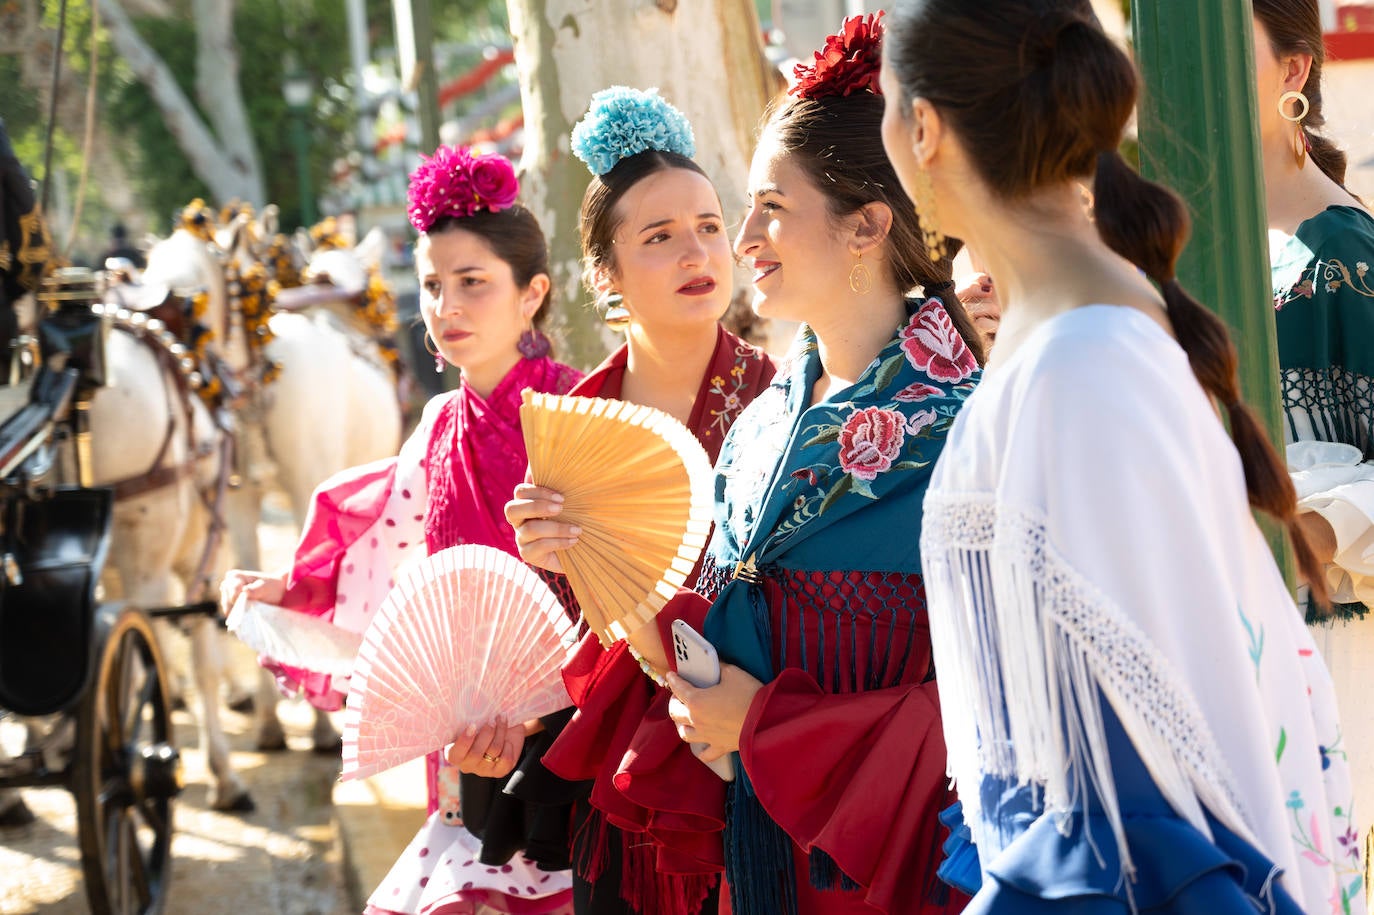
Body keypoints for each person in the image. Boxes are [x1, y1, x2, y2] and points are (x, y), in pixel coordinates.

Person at [881, 0, 1361, 912]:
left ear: (926, 128)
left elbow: (1146, 771)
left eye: (884, 105)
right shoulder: (1066, 339)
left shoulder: (1085, 364)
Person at [653, 14, 983, 914]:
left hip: (906, 878)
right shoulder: (758, 425)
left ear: (867, 225)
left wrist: (763, 725)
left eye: (773, 206)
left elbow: (992, 711)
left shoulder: (971, 429)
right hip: (761, 864)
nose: (744, 235)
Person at [219, 146, 582, 915]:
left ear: (533, 294)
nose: (445, 306)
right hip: (463, 732)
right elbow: (383, 545)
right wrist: (290, 588)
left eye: (473, 282)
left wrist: (540, 715)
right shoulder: (439, 422)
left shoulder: (580, 415)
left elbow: (624, 590)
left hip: (570, 736)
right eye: (431, 284)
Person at [500, 86, 775, 915]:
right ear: (605, 275)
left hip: (750, 743)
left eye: (708, 227)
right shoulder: (576, 417)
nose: (697, 252)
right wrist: (544, 560)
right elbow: (567, 624)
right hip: (624, 749)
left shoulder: (781, 397)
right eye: (659, 237)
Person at [1254, 0, 1374, 877]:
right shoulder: (1149, 248)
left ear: (1293, 72)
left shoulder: (1351, 257)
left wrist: (1325, 523)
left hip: (1325, 648)